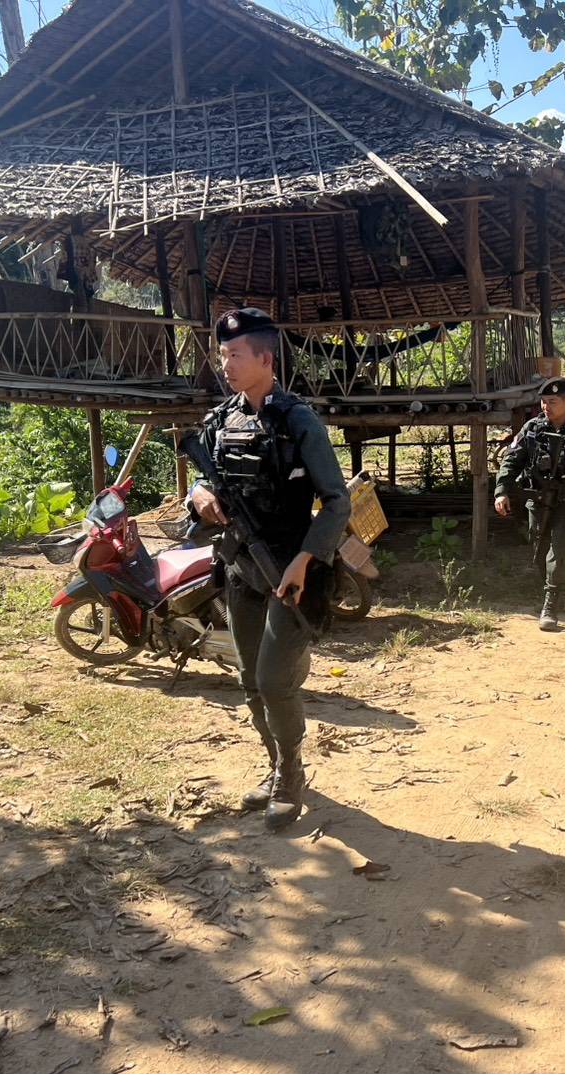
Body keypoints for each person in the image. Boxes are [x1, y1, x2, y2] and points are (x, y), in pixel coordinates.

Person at [187, 307, 351, 830]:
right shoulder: (220, 421)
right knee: (249, 679)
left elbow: (337, 501)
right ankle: (276, 762)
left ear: (265, 359)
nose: (226, 364)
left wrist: (305, 560)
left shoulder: (298, 420)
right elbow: (200, 483)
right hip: (241, 569)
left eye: (236, 354)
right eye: (222, 355)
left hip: (290, 571)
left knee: (275, 680)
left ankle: (291, 773)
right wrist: (198, 496)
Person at [493, 378, 565, 631]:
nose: (546, 407)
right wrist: (501, 491)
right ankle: (555, 594)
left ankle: (550, 606)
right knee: (539, 551)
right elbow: (511, 461)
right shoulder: (532, 429)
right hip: (537, 501)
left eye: (552, 402)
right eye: (544, 402)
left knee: (558, 551)